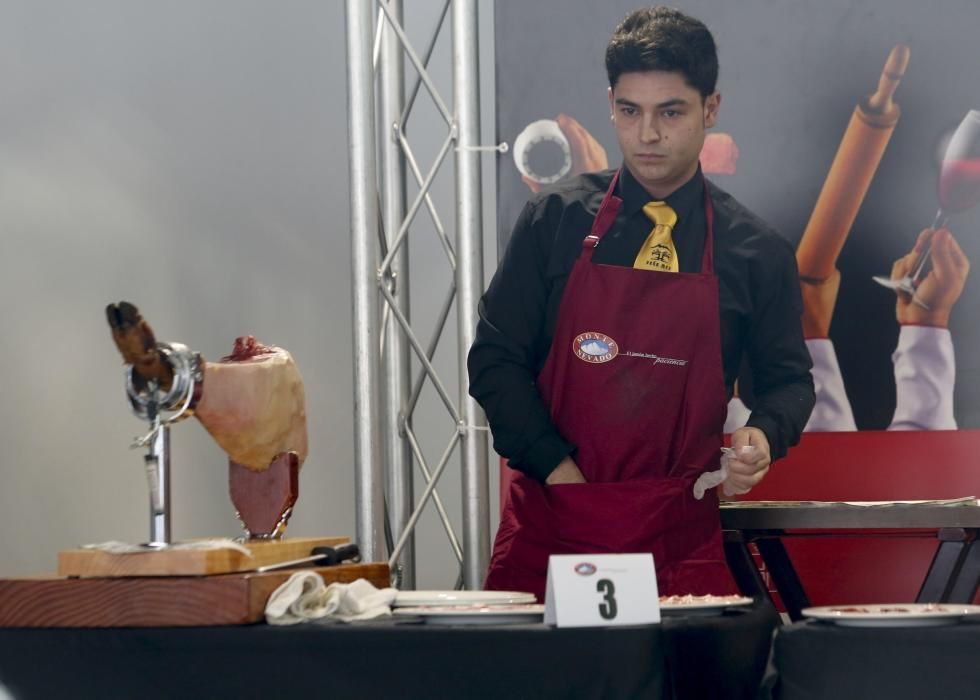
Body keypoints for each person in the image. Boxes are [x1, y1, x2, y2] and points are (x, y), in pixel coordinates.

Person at [468, 6, 815, 601]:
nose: (647, 135)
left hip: (673, 544)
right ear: (611, 104)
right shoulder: (554, 221)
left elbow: (787, 382)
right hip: (553, 531)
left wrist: (760, 435)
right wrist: (563, 476)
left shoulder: (755, 251)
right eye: (630, 111)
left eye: (670, 112)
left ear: (711, 109)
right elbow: (495, 363)